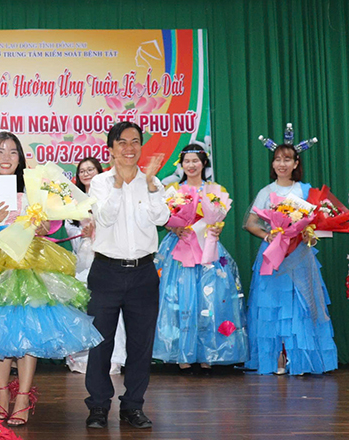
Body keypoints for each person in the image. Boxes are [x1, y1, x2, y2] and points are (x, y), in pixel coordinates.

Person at [0, 132, 102, 426]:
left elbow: (47, 225)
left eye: (13, 152)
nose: (6, 157)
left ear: (20, 158)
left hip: (28, 260)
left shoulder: (31, 187)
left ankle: (24, 397)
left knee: (30, 329)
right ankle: (2, 395)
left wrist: (41, 226)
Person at [84, 122, 168, 429]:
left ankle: (133, 406)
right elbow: (105, 217)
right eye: (122, 142)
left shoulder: (152, 182)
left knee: (140, 345)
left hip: (143, 273)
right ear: (111, 149)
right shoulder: (100, 183)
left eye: (135, 142)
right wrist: (119, 184)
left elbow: (162, 217)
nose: (129, 148)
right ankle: (98, 406)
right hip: (106, 271)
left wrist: (150, 185)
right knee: (100, 343)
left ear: (141, 147)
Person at [243, 144, 337, 375]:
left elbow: (317, 224)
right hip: (272, 255)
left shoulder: (306, 191)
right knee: (272, 306)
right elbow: (251, 223)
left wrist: (308, 234)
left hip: (299, 255)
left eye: (287, 160)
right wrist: (268, 235)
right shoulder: (266, 192)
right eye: (277, 159)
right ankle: (277, 359)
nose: (281, 164)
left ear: (296, 163)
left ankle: (302, 359)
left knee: (301, 306)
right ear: (272, 164)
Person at [153, 144, 248, 374]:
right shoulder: (173, 189)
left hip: (207, 249)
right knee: (180, 299)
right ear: (181, 164)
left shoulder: (215, 190)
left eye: (196, 160)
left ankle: (208, 354)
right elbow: (164, 218)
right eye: (187, 161)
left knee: (210, 299)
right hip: (179, 249)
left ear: (204, 162)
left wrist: (216, 228)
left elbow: (218, 219)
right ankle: (182, 355)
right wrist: (174, 229)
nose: (191, 165)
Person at [65, 157, 127, 375]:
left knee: (111, 312)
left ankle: (113, 358)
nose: (86, 174)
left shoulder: (109, 199)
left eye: (91, 169)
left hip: (108, 263)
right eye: (82, 171)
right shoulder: (72, 206)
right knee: (83, 310)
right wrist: (85, 235)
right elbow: (73, 240)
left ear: (99, 172)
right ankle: (81, 358)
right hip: (83, 266)